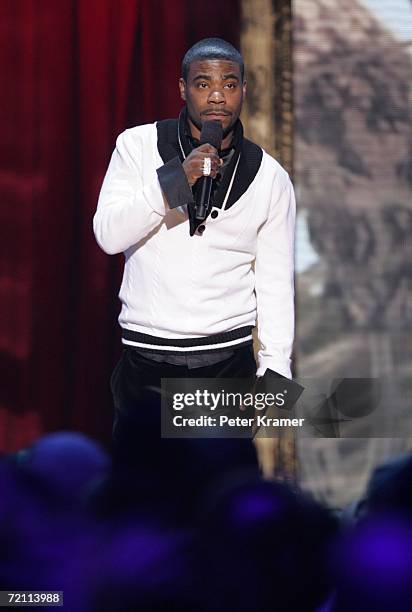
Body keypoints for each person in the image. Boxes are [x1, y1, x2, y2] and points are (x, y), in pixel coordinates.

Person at [93, 38, 296, 474]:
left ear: (245, 89)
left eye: (230, 83)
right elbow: (109, 235)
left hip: (225, 367)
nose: (218, 95)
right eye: (203, 84)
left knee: (220, 503)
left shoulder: (270, 177)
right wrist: (174, 182)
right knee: (144, 504)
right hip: (146, 364)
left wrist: (276, 372)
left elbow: (277, 281)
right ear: (183, 89)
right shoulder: (138, 146)